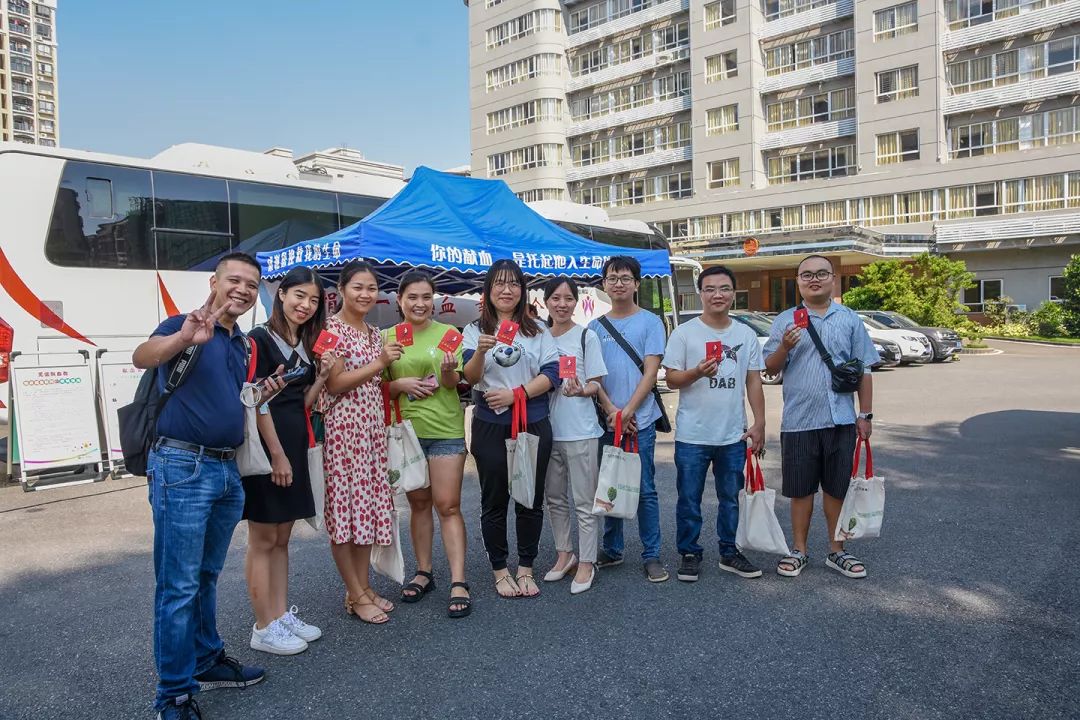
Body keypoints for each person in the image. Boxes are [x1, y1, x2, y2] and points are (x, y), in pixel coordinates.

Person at [133, 252, 284, 720]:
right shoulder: (184, 324)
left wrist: (262, 393)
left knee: (205, 577)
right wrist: (181, 337)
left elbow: (234, 400)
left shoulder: (239, 344)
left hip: (224, 469)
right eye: (233, 280)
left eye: (250, 283)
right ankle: (173, 695)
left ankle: (206, 658)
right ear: (215, 282)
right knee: (177, 585)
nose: (241, 289)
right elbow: (143, 357)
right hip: (182, 464)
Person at [763, 254, 879, 579]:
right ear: (798, 281)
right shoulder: (786, 319)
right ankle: (799, 550)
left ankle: (837, 550)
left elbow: (863, 369)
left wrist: (865, 414)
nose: (814, 279)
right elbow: (770, 367)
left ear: (833, 279)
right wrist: (784, 347)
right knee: (800, 491)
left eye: (821, 274)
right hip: (799, 420)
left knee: (836, 488)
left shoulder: (850, 319)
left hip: (841, 419)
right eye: (807, 275)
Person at [242, 267, 335, 655]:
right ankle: (263, 626)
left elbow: (303, 404)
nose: (305, 305)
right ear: (280, 294)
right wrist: (276, 455)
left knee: (282, 538)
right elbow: (252, 401)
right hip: (269, 451)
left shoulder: (304, 343)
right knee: (263, 538)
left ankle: (279, 616)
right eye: (299, 295)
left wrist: (321, 376)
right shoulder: (258, 340)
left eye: (313, 300)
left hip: (294, 446)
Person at [462, 259, 560, 599]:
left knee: (530, 498)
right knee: (494, 499)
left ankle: (526, 567)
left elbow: (552, 375)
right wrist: (480, 352)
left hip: (532, 421)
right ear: (488, 290)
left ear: (522, 290)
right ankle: (500, 569)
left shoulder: (537, 330)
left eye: (514, 283)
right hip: (490, 424)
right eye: (499, 283)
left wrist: (516, 394)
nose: (507, 290)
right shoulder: (474, 330)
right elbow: (470, 378)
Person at [663, 266, 766, 583]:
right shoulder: (684, 333)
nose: (717, 294)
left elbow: (753, 381)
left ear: (733, 293)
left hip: (732, 434)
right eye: (710, 289)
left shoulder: (745, 335)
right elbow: (672, 378)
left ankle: (729, 551)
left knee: (730, 498)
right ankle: (689, 552)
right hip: (693, 435)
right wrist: (697, 372)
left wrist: (759, 422)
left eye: (724, 288)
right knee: (689, 499)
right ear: (700, 293)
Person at [382, 271, 472, 618]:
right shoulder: (387, 338)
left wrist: (449, 372)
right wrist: (399, 384)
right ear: (399, 300)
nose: (420, 304)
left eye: (426, 297)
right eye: (412, 297)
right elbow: (377, 388)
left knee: (447, 505)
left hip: (446, 429)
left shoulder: (449, 334)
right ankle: (424, 571)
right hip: (406, 432)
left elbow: (457, 383)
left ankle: (459, 580)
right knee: (418, 504)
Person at [321, 260, 403, 623]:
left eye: (372, 288)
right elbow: (334, 384)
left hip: (371, 434)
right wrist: (380, 362)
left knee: (364, 514)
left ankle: (363, 587)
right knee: (344, 515)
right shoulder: (330, 329)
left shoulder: (373, 332)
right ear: (340, 290)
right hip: (343, 434)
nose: (366, 294)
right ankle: (355, 593)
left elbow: (374, 384)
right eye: (358, 287)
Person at [589, 255, 669, 583]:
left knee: (645, 488)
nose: (618, 283)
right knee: (609, 483)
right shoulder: (594, 327)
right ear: (604, 284)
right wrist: (612, 412)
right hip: (607, 420)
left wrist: (628, 412)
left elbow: (651, 372)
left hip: (641, 420)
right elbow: (594, 376)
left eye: (625, 278)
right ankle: (613, 547)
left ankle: (652, 554)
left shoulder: (650, 322)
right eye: (612, 278)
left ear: (637, 283)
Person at [542, 276, 607, 595]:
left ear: (577, 302)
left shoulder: (586, 336)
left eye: (568, 298)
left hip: (581, 430)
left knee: (584, 500)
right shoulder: (538, 337)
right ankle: (564, 553)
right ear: (546, 302)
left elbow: (596, 383)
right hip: (546, 430)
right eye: (556, 298)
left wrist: (583, 390)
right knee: (554, 498)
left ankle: (588, 560)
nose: (562, 304)